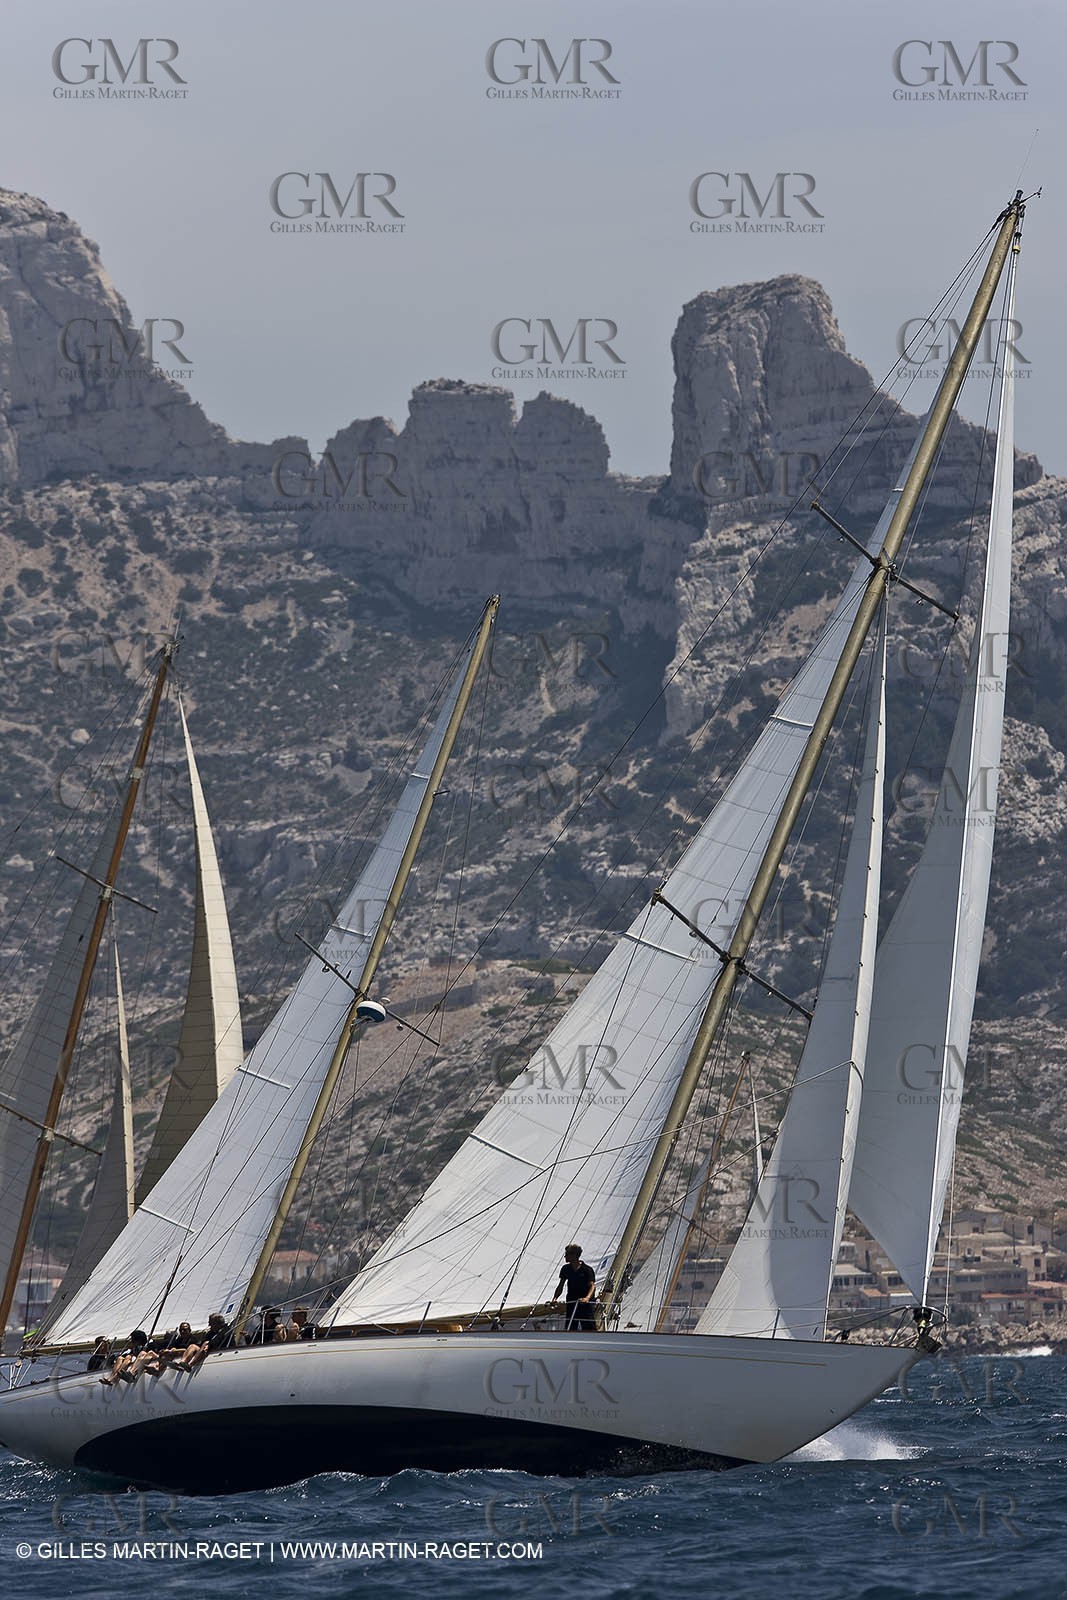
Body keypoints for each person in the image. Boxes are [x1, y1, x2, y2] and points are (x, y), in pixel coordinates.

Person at [550, 1244, 598, 1332]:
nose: (565, 1256)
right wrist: (555, 1298)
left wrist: (587, 1298)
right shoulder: (565, 1269)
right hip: (572, 1302)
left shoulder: (587, 1269)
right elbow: (561, 1285)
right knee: (571, 1327)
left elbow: (592, 1286)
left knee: (589, 1328)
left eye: (567, 1254)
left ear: (574, 1255)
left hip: (585, 1304)